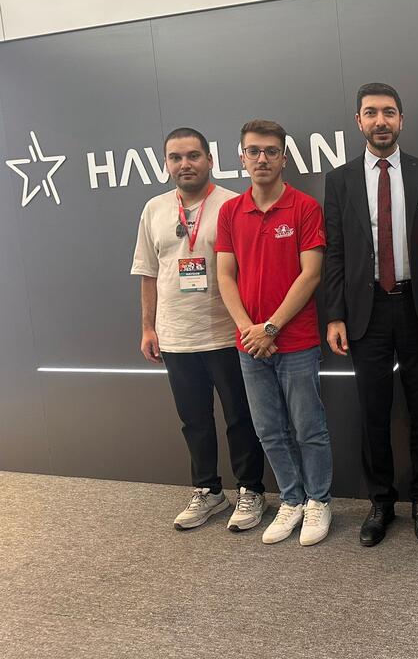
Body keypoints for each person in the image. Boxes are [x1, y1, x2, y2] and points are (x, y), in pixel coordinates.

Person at [323, 83, 418, 546]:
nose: (380, 121)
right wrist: (335, 315)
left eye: (389, 112)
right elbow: (335, 252)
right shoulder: (339, 180)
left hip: (416, 307)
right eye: (371, 113)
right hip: (366, 310)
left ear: (401, 120)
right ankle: (381, 503)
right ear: (359, 121)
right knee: (373, 411)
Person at [131, 127, 266, 532]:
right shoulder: (154, 209)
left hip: (227, 333)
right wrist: (148, 328)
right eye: (176, 157)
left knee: (241, 417)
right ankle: (208, 490)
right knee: (194, 420)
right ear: (166, 164)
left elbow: (249, 270)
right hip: (176, 336)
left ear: (210, 160)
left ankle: (251, 490)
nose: (184, 164)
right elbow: (148, 273)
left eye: (193, 156)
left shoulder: (233, 205)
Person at [216, 119, 333, 546]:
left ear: (283, 158)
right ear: (242, 157)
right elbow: (225, 276)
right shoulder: (230, 212)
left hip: (295, 341)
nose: (262, 158)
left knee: (308, 428)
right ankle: (292, 499)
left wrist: (270, 327)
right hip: (250, 344)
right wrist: (249, 330)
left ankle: (319, 500)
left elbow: (311, 274)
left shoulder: (305, 207)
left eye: (270, 151)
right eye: (254, 151)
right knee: (268, 430)